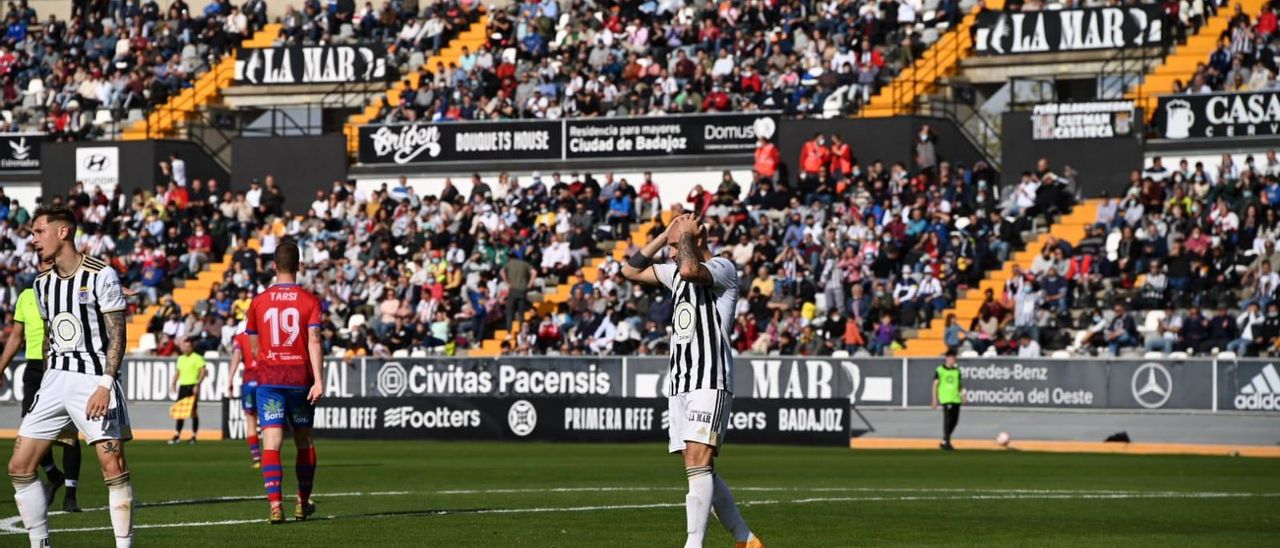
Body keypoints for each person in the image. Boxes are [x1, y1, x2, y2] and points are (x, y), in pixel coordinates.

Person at [621, 213, 763, 548]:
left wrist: (685, 236)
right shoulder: (675, 274)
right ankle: (746, 540)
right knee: (699, 467)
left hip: (709, 379)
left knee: (700, 460)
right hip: (681, 381)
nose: (670, 253)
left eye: (674, 246)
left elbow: (689, 268)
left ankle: (693, 545)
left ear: (696, 240)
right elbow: (629, 270)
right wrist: (664, 234)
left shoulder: (722, 269)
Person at [9, 205, 134, 547]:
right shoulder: (41, 284)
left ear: (62, 232)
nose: (33, 240)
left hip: (93, 380)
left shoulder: (101, 274)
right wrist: (48, 383)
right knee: (20, 467)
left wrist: (105, 385)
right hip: (54, 380)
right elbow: (52, 336)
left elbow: (117, 336)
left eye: (38, 232)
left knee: (113, 468)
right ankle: (41, 544)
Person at [245, 239, 324, 524]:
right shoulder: (310, 300)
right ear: (300, 266)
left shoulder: (258, 301)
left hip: (270, 380)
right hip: (299, 379)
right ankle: (302, 503)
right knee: (303, 441)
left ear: (274, 265)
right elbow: (314, 340)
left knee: (272, 443)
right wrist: (319, 380)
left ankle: (275, 506)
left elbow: (254, 347)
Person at [0, 255, 83, 513]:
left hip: (62, 365)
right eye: (46, 263)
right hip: (35, 367)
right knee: (29, 428)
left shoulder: (68, 291)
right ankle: (52, 474)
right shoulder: (26, 296)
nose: (50, 267)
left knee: (69, 436)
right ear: (39, 266)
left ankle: (70, 494)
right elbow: (16, 336)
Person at [228, 321, 262, 467]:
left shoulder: (240, 338)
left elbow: (236, 356)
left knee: (250, 419)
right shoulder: (266, 335)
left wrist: (229, 380)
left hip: (248, 382)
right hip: (265, 381)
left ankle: (256, 458)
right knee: (268, 421)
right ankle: (270, 457)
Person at [169, 339, 207, 444]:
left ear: (192, 347)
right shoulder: (180, 358)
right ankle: (177, 434)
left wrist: (198, 384)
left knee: (193, 412)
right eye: (184, 346)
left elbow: (203, 372)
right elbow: (178, 372)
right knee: (180, 411)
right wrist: (173, 383)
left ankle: (194, 435)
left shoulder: (198, 358)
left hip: (192, 386)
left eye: (188, 346)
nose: (185, 349)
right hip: (183, 386)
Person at [931, 349, 965, 451]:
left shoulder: (957, 371)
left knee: (955, 421)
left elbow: (959, 385)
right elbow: (935, 385)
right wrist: (934, 399)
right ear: (947, 358)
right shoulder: (940, 370)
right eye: (951, 358)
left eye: (954, 358)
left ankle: (944, 440)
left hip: (956, 398)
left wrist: (963, 395)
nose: (952, 360)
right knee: (948, 420)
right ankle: (947, 441)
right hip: (946, 398)